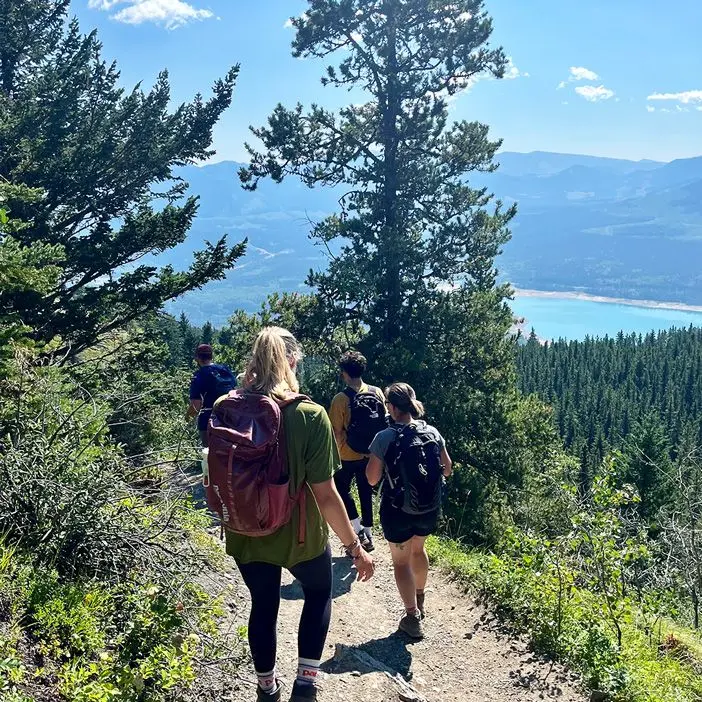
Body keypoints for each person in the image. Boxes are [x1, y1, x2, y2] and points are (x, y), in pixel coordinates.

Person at [223, 328, 374, 702]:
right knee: (320, 591)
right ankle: (305, 683)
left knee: (263, 603)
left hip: (247, 529)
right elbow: (326, 494)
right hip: (300, 533)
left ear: (254, 360)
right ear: (291, 361)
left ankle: (266, 688)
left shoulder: (229, 406)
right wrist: (355, 549)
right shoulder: (309, 414)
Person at [366, 383, 452, 641]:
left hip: (397, 510)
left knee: (401, 561)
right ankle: (420, 598)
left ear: (391, 408)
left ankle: (412, 617)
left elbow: (371, 479)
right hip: (428, 508)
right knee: (419, 550)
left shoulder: (384, 438)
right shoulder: (433, 432)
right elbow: (447, 469)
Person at [328, 351, 386, 553]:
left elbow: (336, 431)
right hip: (370, 453)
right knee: (365, 491)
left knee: (341, 489)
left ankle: (357, 528)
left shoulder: (340, 399)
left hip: (346, 453)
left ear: (344, 373)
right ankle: (368, 533)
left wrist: (333, 455)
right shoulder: (377, 392)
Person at [186, 343, 236, 447]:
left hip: (208, 422)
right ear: (211, 356)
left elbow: (196, 405)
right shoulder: (225, 370)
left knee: (209, 455)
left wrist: (186, 420)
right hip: (230, 419)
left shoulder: (198, 376)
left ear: (197, 358)